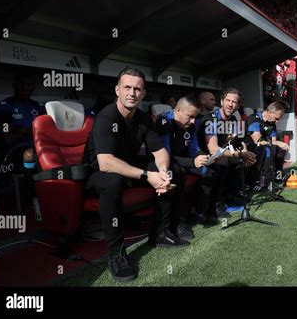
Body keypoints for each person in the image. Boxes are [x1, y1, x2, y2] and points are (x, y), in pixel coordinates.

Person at [82, 68, 188, 283]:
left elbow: (160, 152)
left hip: (128, 168)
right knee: (113, 179)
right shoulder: (106, 117)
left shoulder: (143, 118)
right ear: (117, 90)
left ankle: (161, 231)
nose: (132, 92)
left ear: (143, 93)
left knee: (173, 169)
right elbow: (105, 162)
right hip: (97, 174)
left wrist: (163, 173)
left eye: (137, 88)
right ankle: (116, 254)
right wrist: (147, 175)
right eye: (127, 87)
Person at [155, 95, 219, 226]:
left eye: (195, 117)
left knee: (209, 169)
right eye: (190, 116)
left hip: (183, 160)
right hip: (164, 163)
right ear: (178, 110)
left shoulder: (190, 126)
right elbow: (164, 155)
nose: (193, 121)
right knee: (178, 172)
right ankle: (176, 222)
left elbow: (194, 149)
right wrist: (192, 162)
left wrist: (205, 157)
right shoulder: (164, 122)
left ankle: (199, 212)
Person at [197, 88, 256, 210]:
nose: (230, 104)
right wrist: (240, 154)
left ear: (238, 105)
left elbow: (238, 141)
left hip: (222, 152)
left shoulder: (233, 119)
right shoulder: (211, 119)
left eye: (234, 102)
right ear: (222, 102)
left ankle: (232, 195)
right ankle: (216, 202)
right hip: (204, 155)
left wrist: (245, 153)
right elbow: (214, 150)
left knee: (245, 158)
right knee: (223, 161)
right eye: (228, 100)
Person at [0, 74, 46, 168]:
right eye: (22, 84)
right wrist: (27, 132)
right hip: (16, 149)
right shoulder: (5, 106)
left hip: (39, 145)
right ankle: (30, 181)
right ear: (15, 85)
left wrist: (22, 130)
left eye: (29, 84)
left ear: (33, 87)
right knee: (30, 154)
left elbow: (47, 133)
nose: (26, 88)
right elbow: (7, 139)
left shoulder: (39, 107)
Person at [244, 102, 289, 189]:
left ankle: (277, 175)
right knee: (267, 148)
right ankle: (260, 180)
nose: (277, 121)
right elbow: (258, 140)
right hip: (249, 146)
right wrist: (277, 143)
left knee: (280, 149)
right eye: (276, 118)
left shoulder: (271, 124)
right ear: (269, 112)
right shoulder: (254, 119)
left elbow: (274, 141)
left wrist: (279, 144)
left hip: (263, 145)